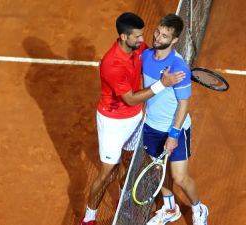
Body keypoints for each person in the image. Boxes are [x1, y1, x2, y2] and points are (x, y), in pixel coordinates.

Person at [79, 12, 185, 225]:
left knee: (129, 161)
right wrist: (162, 84)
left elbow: (157, 55)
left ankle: (123, 197)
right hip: (113, 123)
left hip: (136, 119)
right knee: (108, 172)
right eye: (137, 37)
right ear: (124, 37)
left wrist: (177, 63)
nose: (142, 40)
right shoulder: (112, 64)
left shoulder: (137, 48)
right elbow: (130, 99)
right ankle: (89, 218)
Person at [142, 14, 209, 225]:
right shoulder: (145, 56)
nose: (157, 38)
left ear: (174, 41)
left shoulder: (179, 68)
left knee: (179, 177)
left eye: (164, 36)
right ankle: (170, 208)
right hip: (151, 126)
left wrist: (173, 134)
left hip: (175, 129)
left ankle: (199, 207)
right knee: (157, 171)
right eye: (157, 32)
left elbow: (184, 104)